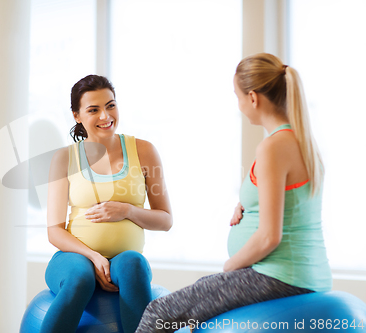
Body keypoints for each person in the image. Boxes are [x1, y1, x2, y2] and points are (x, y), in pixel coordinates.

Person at [135, 53, 332, 333]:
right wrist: (248, 204)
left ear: (253, 98)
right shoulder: (301, 141)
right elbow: (291, 203)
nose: (239, 105)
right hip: (304, 272)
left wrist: (231, 266)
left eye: (237, 96)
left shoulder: (273, 147)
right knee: (200, 297)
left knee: (159, 313)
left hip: (278, 276)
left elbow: (269, 236)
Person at [42, 74, 173, 333]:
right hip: (74, 257)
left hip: (125, 257)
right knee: (81, 278)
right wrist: (93, 257)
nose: (105, 116)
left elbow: (165, 219)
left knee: (133, 265)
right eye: (93, 110)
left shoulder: (144, 150)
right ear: (77, 116)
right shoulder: (64, 158)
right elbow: (54, 230)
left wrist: (128, 210)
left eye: (110, 105)